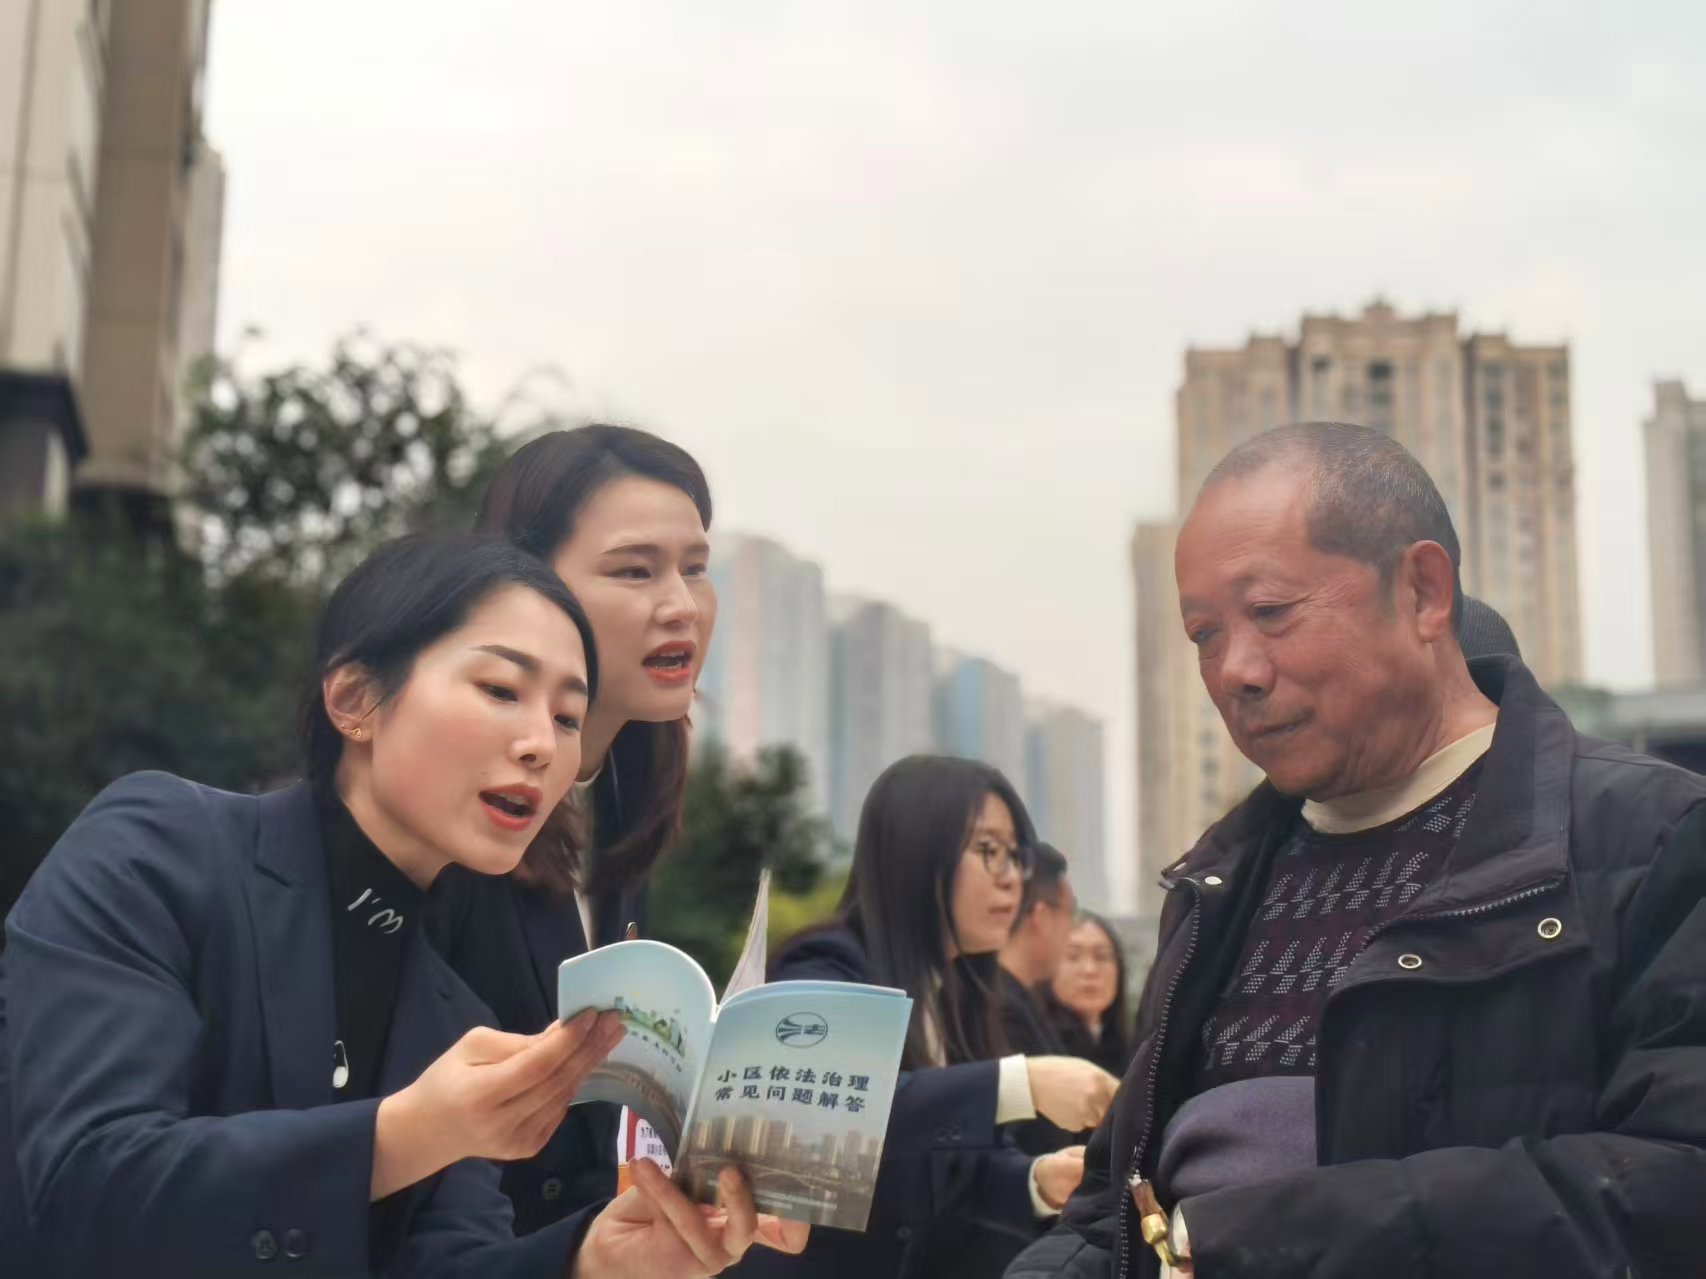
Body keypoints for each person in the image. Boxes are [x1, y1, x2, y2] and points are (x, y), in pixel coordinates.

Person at [1006, 421, 1706, 1279]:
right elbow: (1112, 1208)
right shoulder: (1214, 887)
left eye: (1271, 612)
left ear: (1422, 592)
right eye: (1204, 635)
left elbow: (1675, 1183)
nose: (1235, 671)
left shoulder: (1652, 839)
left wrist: (1259, 1239)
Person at [0, 533, 803, 1279]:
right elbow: (82, 1186)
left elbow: (446, 1262)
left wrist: (592, 1258)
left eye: (568, 716)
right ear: (355, 698)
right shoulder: (161, 850)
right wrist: (407, 1132)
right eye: (500, 688)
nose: (542, 743)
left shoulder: (450, 1012)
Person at [425, 424, 719, 1230]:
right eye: (635, 570)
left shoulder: (621, 794)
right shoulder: (451, 815)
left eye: (696, 568)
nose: (681, 606)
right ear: (529, 587)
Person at [741, 756, 1120, 1279]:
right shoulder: (828, 966)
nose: (1012, 879)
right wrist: (1021, 1083)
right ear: (917, 856)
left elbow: (943, 1169)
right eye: (988, 851)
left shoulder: (951, 995)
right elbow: (836, 1110)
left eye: (1016, 857)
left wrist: (1038, 1178)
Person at [998, 843, 1077, 1057]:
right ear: (1041, 916)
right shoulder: (1003, 1013)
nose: (1071, 932)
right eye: (1070, 913)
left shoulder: (1018, 1000)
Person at [1039, 913, 1131, 1077]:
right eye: (1073, 957)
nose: (1090, 970)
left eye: (1101, 957)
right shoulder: (1036, 1043)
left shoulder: (1135, 1051)